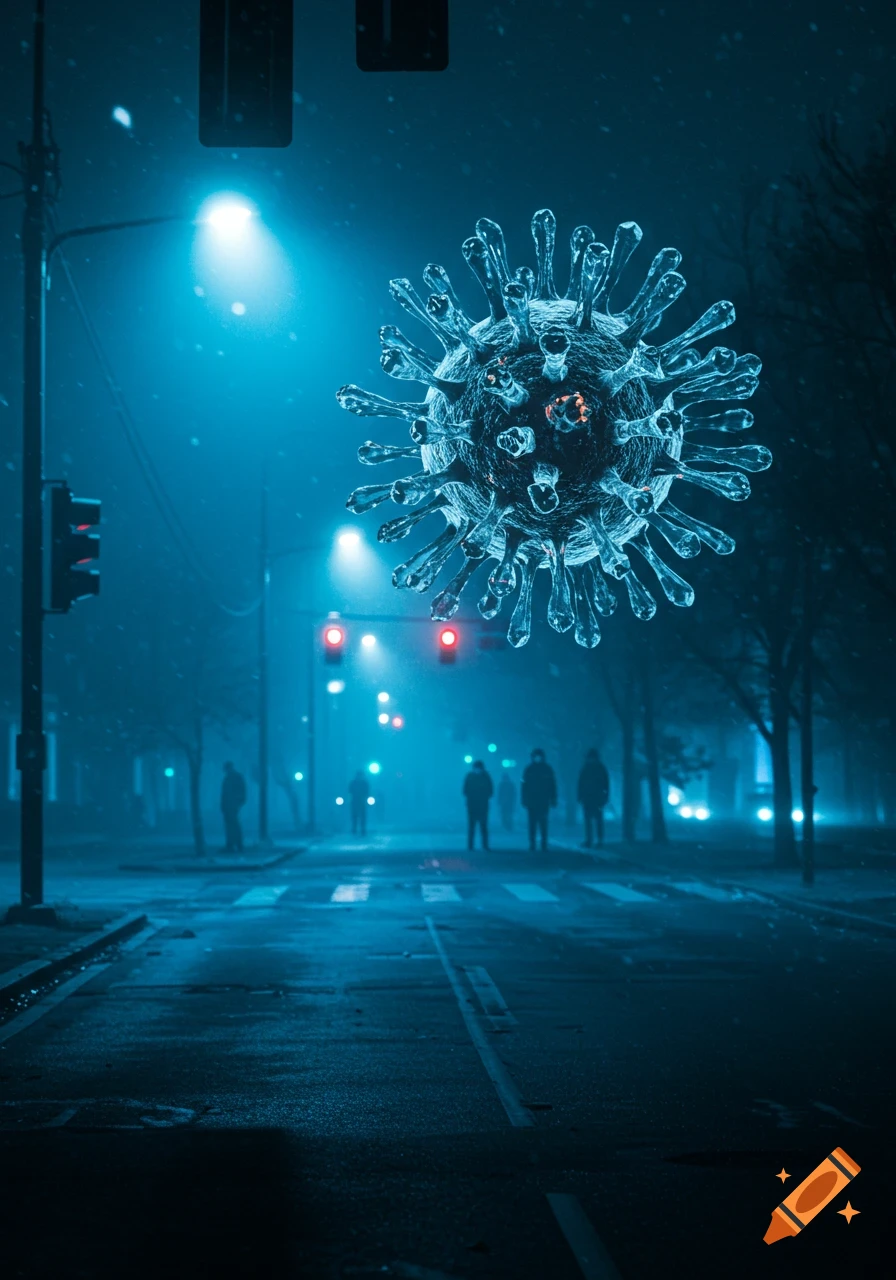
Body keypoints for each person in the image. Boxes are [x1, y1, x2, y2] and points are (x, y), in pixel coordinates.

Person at [521, 748, 557, 852]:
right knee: (532, 823)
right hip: (532, 801)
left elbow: (552, 785)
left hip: (543, 800)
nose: (537, 758)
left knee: (543, 823)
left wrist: (553, 798)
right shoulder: (529, 769)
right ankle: (532, 843)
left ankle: (543, 843)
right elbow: (524, 786)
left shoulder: (547, 769)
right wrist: (524, 799)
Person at [577, 748, 610, 847]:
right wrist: (580, 796)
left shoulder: (595, 768)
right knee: (590, 820)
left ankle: (598, 840)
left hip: (596, 798)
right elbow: (580, 784)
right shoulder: (589, 768)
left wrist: (605, 796)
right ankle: (590, 840)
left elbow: (606, 785)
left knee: (597, 819)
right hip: (589, 798)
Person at [463, 760, 493, 851]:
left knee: (481, 826)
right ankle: (472, 845)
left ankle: (481, 845)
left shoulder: (483, 776)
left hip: (479, 805)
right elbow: (465, 790)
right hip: (475, 805)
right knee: (473, 826)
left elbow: (490, 790)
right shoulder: (475, 776)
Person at [221, 761, 246, 853]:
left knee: (233, 825)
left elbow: (241, 792)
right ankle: (232, 844)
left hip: (232, 805)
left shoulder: (234, 777)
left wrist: (237, 803)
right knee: (231, 825)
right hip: (229, 805)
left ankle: (236, 844)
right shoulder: (231, 777)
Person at [348, 770, 370, 836]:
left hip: (361, 801)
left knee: (362, 816)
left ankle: (362, 829)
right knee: (355, 816)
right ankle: (354, 829)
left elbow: (367, 792)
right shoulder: (353, 783)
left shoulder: (364, 783)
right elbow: (350, 791)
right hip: (355, 801)